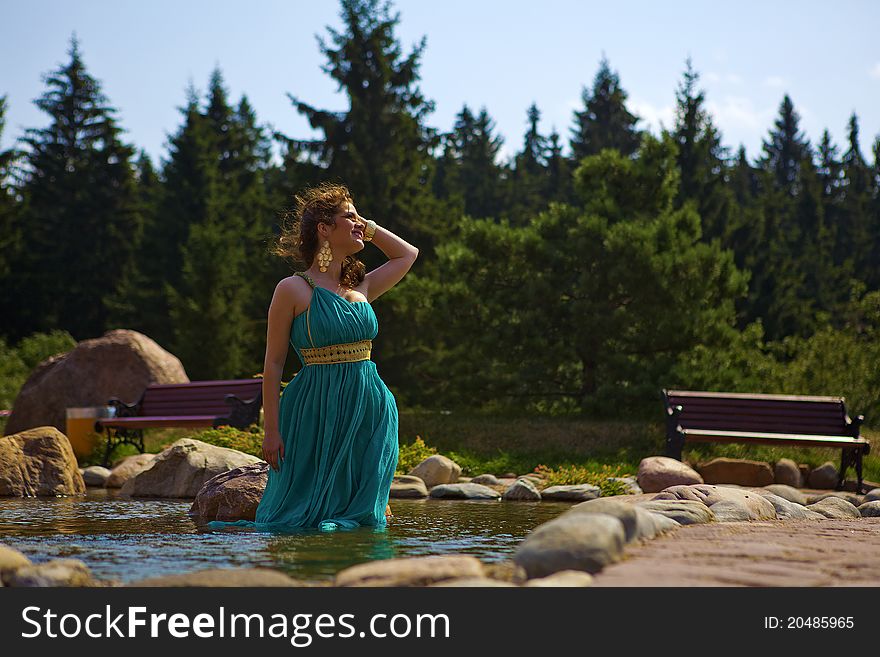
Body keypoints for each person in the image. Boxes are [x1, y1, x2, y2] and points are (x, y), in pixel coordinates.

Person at [209, 182, 418, 532]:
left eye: (358, 217)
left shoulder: (361, 286)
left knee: (363, 508)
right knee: (309, 512)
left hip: (369, 403)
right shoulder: (293, 288)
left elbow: (407, 254)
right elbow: (273, 364)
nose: (358, 224)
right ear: (323, 229)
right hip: (316, 405)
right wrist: (271, 430)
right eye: (348, 217)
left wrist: (367, 225)